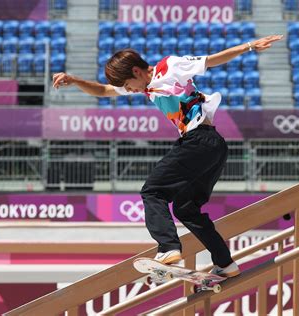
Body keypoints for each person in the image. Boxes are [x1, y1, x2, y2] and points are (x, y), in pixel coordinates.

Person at [53, 34, 283, 277]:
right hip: (213, 147)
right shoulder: (147, 86)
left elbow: (212, 60)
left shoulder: (170, 66)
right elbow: (102, 90)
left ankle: (168, 247)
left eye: (129, 85)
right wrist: (74, 80)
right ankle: (226, 264)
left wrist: (249, 46)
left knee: (152, 191)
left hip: (199, 142)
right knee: (186, 209)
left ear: (137, 71)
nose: (129, 91)